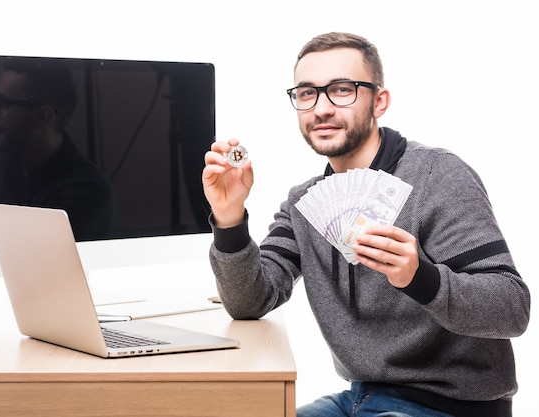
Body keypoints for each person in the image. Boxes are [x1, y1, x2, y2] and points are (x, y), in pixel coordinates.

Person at [202, 32, 530, 417]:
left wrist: (421, 277)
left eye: (342, 89)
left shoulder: (439, 177)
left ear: (379, 101)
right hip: (358, 398)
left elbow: (512, 308)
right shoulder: (305, 203)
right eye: (307, 93)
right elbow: (249, 302)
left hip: (453, 407)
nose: (321, 108)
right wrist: (229, 220)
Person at [0, 57, 115, 247]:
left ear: (42, 117)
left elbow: (32, 262)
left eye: (3, 105)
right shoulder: (2, 162)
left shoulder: (87, 191)